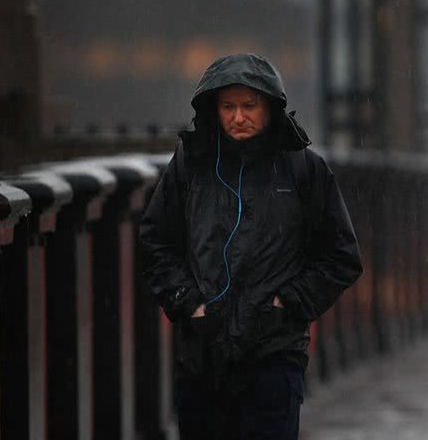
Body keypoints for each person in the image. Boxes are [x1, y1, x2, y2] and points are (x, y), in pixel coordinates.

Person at [139, 53, 363, 440]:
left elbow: (341, 256)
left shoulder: (302, 169)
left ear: (270, 107)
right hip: (202, 355)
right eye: (228, 106)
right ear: (214, 108)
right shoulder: (190, 166)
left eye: (248, 106)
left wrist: (289, 303)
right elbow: (156, 240)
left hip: (274, 354)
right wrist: (188, 302)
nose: (238, 117)